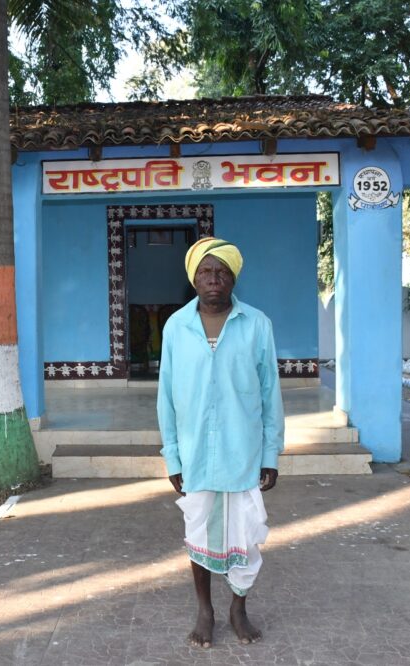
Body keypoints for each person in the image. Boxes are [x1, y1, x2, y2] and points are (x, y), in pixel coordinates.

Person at [157, 236, 285, 648]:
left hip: (242, 453)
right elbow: (166, 397)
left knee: (245, 537)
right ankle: (205, 610)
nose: (214, 279)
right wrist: (172, 457)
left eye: (222, 272)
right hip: (195, 456)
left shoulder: (257, 324)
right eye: (206, 272)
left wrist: (270, 454)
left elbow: (270, 394)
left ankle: (238, 607)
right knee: (199, 533)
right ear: (194, 278)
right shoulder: (176, 326)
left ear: (233, 278)